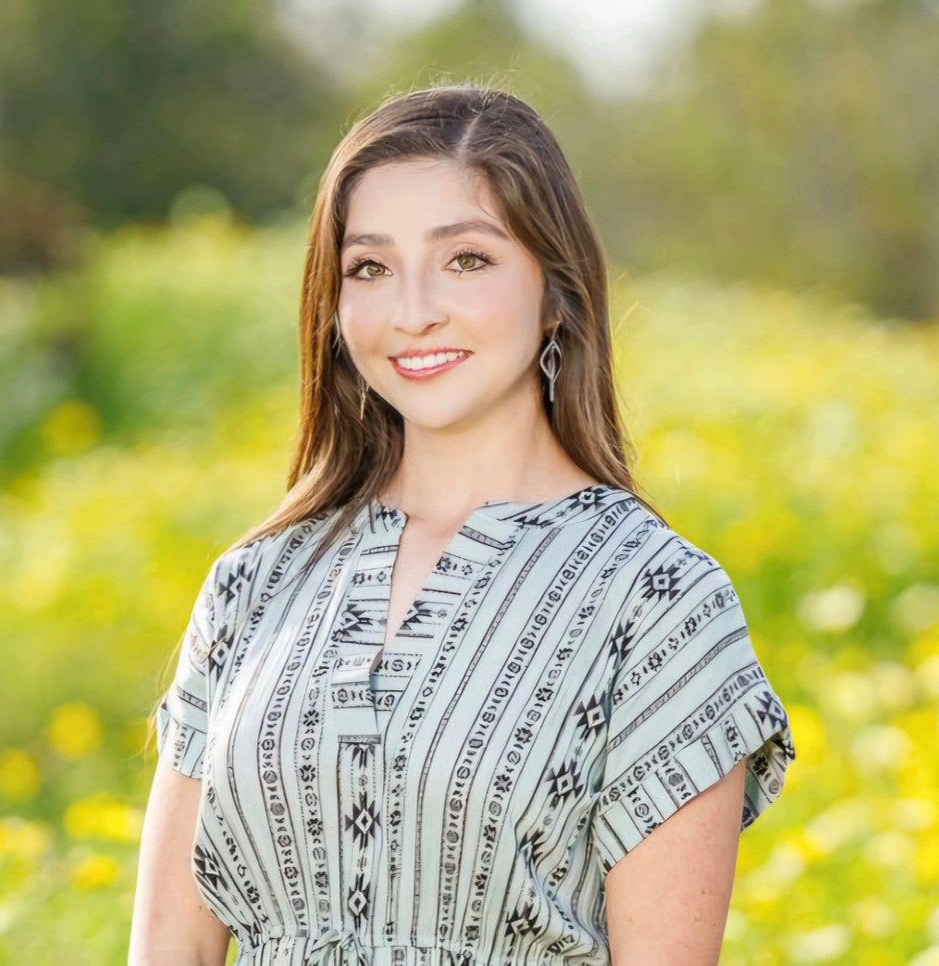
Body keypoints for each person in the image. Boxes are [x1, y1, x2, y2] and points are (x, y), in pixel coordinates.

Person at [129, 84, 796, 966]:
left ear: (557, 290)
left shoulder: (657, 600)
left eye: (466, 260)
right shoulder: (255, 584)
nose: (413, 312)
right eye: (369, 267)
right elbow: (169, 948)